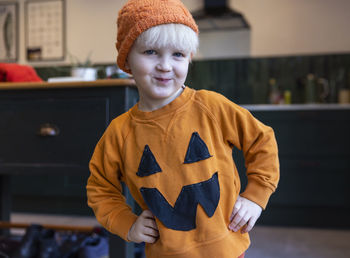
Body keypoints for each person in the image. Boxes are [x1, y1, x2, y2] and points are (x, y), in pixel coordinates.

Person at [86, 0, 280, 257]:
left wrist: (256, 195)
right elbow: (100, 187)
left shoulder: (211, 106)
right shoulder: (120, 132)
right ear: (127, 60)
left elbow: (262, 140)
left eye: (177, 54)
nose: (165, 66)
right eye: (151, 52)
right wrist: (128, 223)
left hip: (228, 250)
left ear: (189, 59)